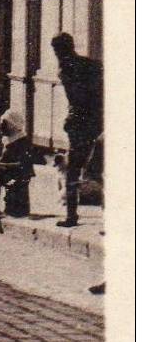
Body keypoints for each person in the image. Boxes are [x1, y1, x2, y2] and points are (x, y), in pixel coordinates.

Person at [51, 33, 104, 229]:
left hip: (80, 126)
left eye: (57, 51)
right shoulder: (93, 65)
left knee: (73, 172)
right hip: (99, 123)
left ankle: (71, 216)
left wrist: (70, 120)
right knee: (99, 172)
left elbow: (76, 99)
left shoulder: (66, 70)